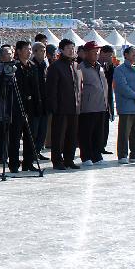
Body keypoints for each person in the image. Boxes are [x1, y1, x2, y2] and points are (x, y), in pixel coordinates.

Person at [0, 43, 41, 173]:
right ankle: (13, 164)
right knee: (15, 136)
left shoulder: (32, 66)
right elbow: (2, 87)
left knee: (30, 136)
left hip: (30, 105)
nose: (29, 52)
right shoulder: (13, 67)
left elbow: (36, 88)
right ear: (18, 51)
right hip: (16, 105)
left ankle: (28, 162)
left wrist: (38, 105)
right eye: (26, 49)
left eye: (30, 49)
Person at [46, 38, 81, 170]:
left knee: (72, 136)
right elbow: (51, 89)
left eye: (73, 48)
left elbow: (78, 87)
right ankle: (57, 160)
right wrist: (54, 107)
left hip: (74, 107)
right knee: (58, 136)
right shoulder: (55, 67)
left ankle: (69, 159)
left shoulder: (76, 65)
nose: (71, 50)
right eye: (68, 48)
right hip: (61, 107)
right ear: (61, 50)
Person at [77, 41, 109, 166]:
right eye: (93, 52)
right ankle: (86, 156)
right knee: (86, 132)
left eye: (97, 52)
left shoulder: (99, 67)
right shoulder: (81, 67)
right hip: (87, 106)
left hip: (101, 104)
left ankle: (97, 155)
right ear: (86, 53)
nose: (96, 54)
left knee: (98, 133)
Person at [31, 42, 50, 160]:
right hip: (34, 103)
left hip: (44, 102)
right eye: (41, 51)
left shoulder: (44, 65)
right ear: (35, 52)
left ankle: (37, 151)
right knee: (34, 130)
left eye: (45, 51)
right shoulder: (31, 65)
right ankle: (31, 153)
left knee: (43, 130)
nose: (44, 53)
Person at [98, 45, 116, 154]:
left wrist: (111, 66)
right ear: (103, 53)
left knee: (105, 123)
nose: (110, 57)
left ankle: (102, 146)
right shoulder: (97, 65)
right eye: (109, 55)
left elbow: (110, 81)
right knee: (99, 124)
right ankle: (97, 146)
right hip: (98, 98)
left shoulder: (108, 66)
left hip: (107, 97)